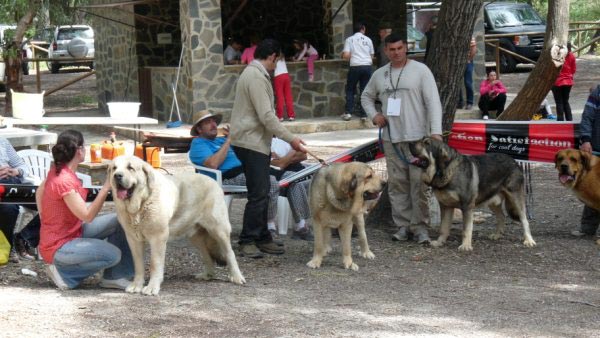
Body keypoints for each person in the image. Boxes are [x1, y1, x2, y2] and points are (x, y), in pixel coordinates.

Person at [361, 33, 443, 244]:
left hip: (419, 139)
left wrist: (436, 132)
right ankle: (403, 226)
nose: (396, 53)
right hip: (392, 138)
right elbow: (366, 97)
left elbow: (433, 102)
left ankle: (420, 227)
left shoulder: (421, 71)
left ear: (406, 47)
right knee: (398, 185)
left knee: (420, 185)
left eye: (399, 48)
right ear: (386, 51)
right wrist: (375, 115)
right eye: (392, 49)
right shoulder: (379, 74)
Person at [229, 38, 307, 258]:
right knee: (258, 194)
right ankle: (247, 240)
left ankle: (263, 237)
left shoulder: (254, 73)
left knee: (263, 191)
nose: (276, 65)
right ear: (272, 56)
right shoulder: (255, 76)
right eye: (277, 60)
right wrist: (291, 139)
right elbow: (266, 116)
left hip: (254, 141)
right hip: (250, 142)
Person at [36, 130, 133, 290]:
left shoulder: (59, 170)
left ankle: (115, 277)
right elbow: (87, 216)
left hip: (71, 233)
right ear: (79, 150)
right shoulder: (64, 180)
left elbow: (40, 191)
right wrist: (106, 186)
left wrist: (44, 219)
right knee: (114, 254)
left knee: (120, 219)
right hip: (59, 246)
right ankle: (65, 275)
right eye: (84, 146)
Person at [188, 110, 282, 243]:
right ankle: (268, 225)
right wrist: (229, 141)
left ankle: (299, 224)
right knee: (270, 182)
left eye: (214, 121)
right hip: (228, 176)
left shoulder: (222, 139)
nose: (213, 125)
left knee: (288, 176)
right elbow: (213, 164)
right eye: (208, 123)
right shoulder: (198, 144)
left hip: (247, 170)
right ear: (199, 129)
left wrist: (238, 138)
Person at [0, 137, 39, 262]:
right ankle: (8, 246)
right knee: (8, 208)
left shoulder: (2, 140)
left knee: (52, 202)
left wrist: (15, 171)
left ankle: (24, 238)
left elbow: (22, 166)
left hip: (14, 183)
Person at [271, 137, 312, 240]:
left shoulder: (283, 139)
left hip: (301, 173)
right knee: (295, 182)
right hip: (281, 179)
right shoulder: (262, 145)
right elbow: (280, 164)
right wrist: (293, 151)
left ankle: (302, 225)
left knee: (325, 179)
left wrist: (284, 159)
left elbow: (303, 155)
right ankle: (301, 225)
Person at [573, 84, 600, 239]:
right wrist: (586, 140)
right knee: (591, 189)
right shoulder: (598, 92)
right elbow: (587, 117)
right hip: (596, 149)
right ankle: (587, 228)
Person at [341, 22, 375, 122]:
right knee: (365, 90)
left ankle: (348, 113)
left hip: (355, 66)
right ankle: (364, 114)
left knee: (350, 89)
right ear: (363, 29)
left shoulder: (349, 39)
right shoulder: (368, 39)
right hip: (367, 66)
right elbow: (372, 56)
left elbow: (346, 55)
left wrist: (348, 55)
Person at [551, 42, 576, 121]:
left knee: (559, 102)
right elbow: (573, 70)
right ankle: (569, 120)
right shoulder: (572, 56)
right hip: (568, 82)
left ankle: (560, 121)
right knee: (565, 101)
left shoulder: (555, 55)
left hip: (557, 82)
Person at [274, 53, 296, 121]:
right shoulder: (282, 56)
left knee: (280, 97)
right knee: (288, 96)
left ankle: (280, 117)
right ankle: (291, 116)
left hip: (278, 76)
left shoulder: (273, 57)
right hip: (286, 75)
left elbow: (272, 67)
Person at [458, 37, 477, 110]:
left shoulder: (469, 36)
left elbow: (473, 48)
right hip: (457, 62)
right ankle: (459, 102)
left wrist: (469, 59)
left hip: (467, 62)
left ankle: (469, 102)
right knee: (456, 83)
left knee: (468, 82)